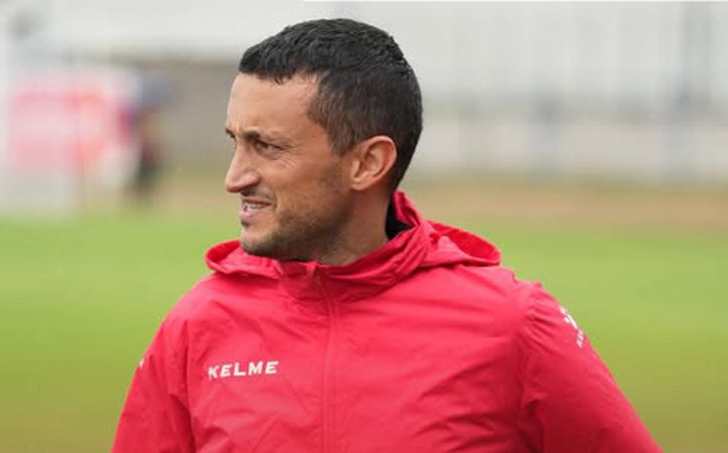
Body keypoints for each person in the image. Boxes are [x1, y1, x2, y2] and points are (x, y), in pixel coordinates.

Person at [113, 18, 660, 452]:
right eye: (235, 141)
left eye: (268, 147)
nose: (234, 178)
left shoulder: (513, 325)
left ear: (368, 163)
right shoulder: (197, 325)